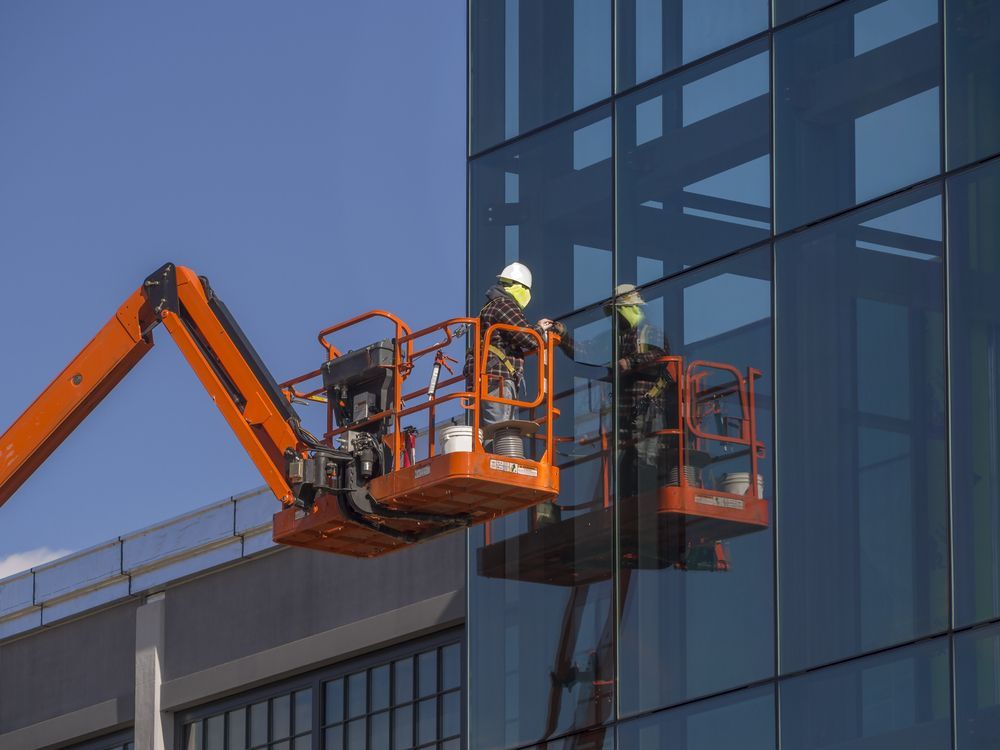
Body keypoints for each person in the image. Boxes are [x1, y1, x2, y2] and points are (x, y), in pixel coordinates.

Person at [551, 283, 673, 500]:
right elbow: (585, 351)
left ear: (633, 308)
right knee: (622, 462)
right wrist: (563, 336)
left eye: (617, 311)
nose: (614, 318)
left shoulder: (650, 333)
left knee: (645, 458)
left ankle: (645, 502)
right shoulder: (613, 339)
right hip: (623, 412)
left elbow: (659, 356)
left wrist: (630, 361)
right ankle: (628, 504)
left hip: (648, 409)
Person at [465, 262, 555, 443]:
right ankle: (499, 463)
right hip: (498, 378)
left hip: (487, 377)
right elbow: (526, 337)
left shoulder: (491, 306)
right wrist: (538, 329)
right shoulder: (504, 304)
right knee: (501, 429)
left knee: (492, 429)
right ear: (519, 287)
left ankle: (494, 460)